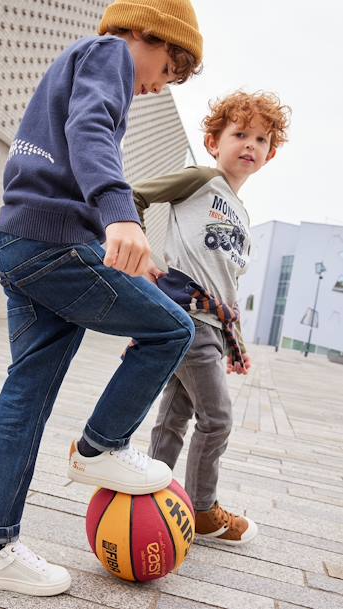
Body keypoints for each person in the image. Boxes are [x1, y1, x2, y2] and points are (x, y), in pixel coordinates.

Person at [0, 0, 203, 597]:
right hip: (52, 245)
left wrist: (114, 239)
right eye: (168, 70)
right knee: (172, 331)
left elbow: (69, 150)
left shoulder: (78, 61)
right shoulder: (110, 51)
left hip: (22, 241)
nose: (157, 87)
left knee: (27, 393)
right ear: (152, 35)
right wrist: (120, 216)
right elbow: (90, 130)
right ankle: (100, 448)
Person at [132, 91, 291, 545]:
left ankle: (149, 493)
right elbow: (135, 196)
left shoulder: (242, 214)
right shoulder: (201, 180)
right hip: (186, 316)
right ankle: (201, 509)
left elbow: (229, 286)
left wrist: (233, 340)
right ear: (213, 141)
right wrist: (140, 252)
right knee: (217, 418)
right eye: (239, 134)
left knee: (177, 412)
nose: (250, 145)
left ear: (270, 154)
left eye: (261, 139)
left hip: (213, 328)